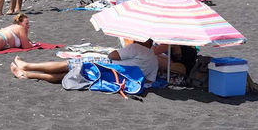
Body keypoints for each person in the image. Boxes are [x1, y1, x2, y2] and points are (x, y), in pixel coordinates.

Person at [12, 36, 157, 84]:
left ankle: (27, 66)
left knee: (67, 65)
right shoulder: (154, 59)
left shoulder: (137, 48)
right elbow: (150, 80)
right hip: (117, 80)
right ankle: (28, 75)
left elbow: (112, 56)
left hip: (106, 68)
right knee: (68, 75)